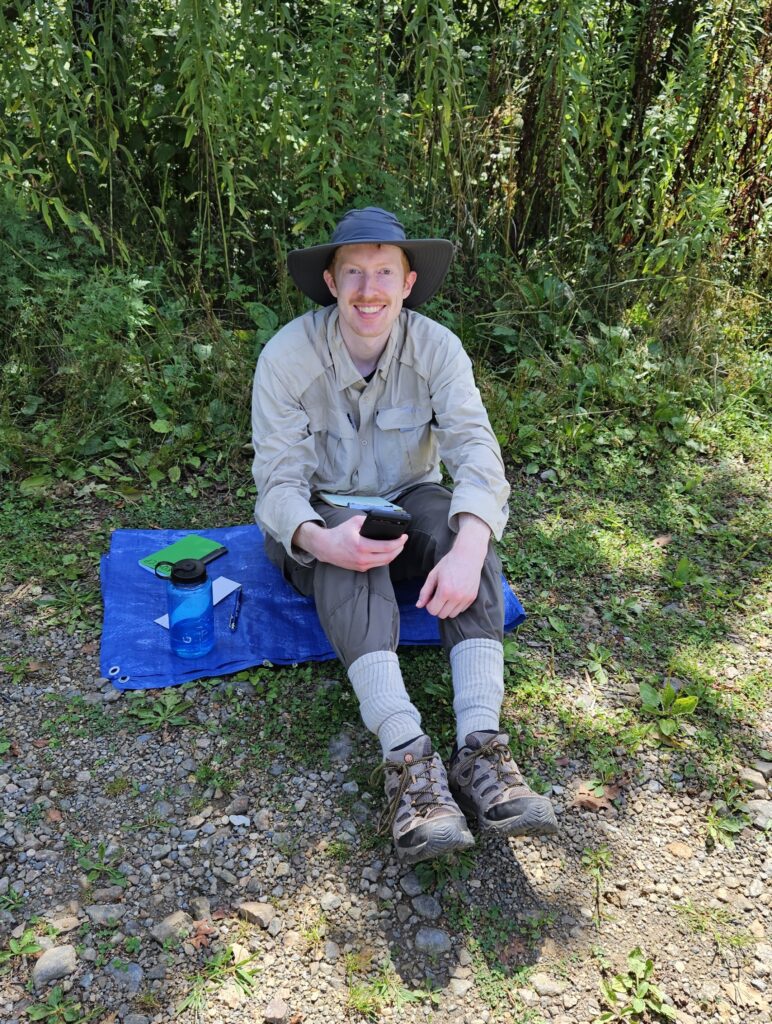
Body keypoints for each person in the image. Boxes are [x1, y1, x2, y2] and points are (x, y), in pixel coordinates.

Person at [251, 207, 557, 864]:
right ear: (331, 282)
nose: (369, 290)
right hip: (322, 513)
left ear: (408, 282)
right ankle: (408, 762)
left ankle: (482, 750)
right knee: (346, 550)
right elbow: (277, 481)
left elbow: (476, 452)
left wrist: (469, 548)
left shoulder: (438, 348)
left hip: (410, 498)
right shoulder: (285, 357)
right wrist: (318, 538)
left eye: (384, 272)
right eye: (353, 273)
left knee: (465, 526)